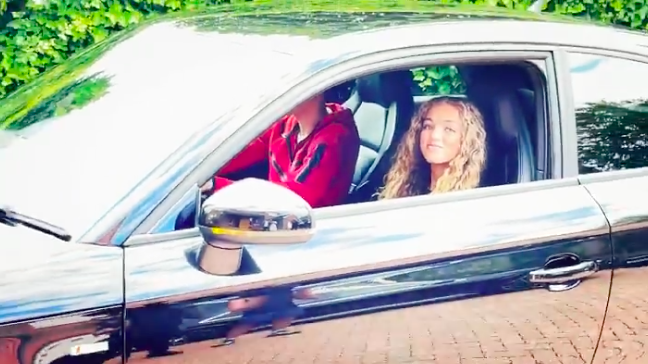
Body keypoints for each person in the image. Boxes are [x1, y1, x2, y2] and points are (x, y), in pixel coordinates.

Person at [201, 93, 360, 208]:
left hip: (302, 233)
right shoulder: (287, 123)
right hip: (275, 219)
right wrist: (202, 168)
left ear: (313, 91)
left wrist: (216, 186)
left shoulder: (333, 140)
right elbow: (248, 148)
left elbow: (294, 200)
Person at [378, 96, 486, 199]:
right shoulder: (408, 187)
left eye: (448, 129)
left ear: (466, 139)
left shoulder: (468, 199)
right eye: (428, 126)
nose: (434, 135)